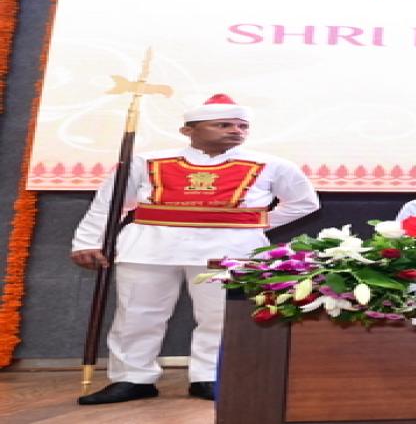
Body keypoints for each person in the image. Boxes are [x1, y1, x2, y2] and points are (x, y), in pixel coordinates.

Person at [70, 94, 319, 405]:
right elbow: (111, 202)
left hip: (229, 250)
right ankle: (132, 379)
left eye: (242, 126)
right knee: (136, 315)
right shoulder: (146, 161)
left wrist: (252, 224)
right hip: (149, 247)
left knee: (220, 317)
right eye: (223, 124)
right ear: (189, 130)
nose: (235, 130)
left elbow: (305, 202)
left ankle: (210, 377)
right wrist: (89, 241)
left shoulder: (272, 165)